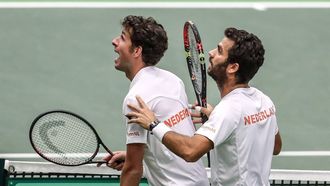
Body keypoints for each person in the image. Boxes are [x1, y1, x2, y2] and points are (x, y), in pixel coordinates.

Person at [126, 27, 283, 186]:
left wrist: (154, 124)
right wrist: (227, 127)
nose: (211, 53)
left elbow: (190, 151)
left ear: (233, 67)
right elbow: (275, 147)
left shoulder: (228, 110)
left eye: (220, 51)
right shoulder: (264, 101)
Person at [100, 15, 209, 186]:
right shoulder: (173, 80)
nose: (114, 41)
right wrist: (133, 155)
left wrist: (132, 161)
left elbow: (132, 170)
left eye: (122, 38)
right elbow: (168, 139)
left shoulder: (135, 99)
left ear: (137, 51)